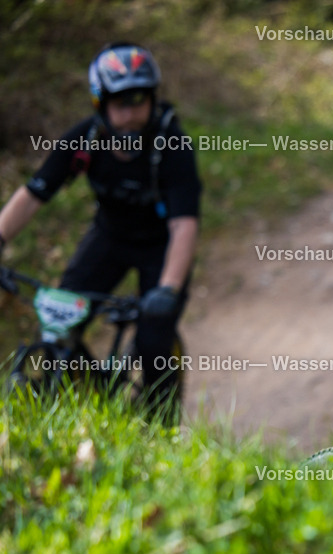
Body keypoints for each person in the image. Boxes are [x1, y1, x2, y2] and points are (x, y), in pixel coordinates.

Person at [0, 42, 201, 418]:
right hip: (108, 239)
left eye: (139, 100)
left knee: (153, 338)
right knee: (59, 323)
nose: (130, 114)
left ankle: (160, 428)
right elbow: (33, 194)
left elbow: (184, 225)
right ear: (100, 104)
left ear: (153, 99)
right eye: (120, 103)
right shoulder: (85, 139)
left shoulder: (172, 146)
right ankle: (67, 408)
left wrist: (168, 290)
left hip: (162, 249)